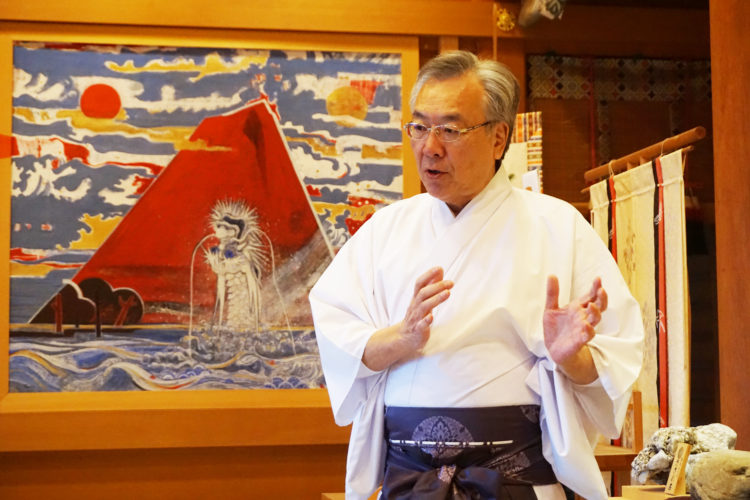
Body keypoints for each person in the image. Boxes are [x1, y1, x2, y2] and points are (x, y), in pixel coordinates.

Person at [309, 51, 643, 500]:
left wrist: (570, 359)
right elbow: (338, 336)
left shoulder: (558, 227)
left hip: (515, 481)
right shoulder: (385, 231)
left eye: (450, 128)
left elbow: (610, 366)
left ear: (498, 137)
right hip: (411, 481)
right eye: (420, 126)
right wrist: (401, 338)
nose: (430, 146)